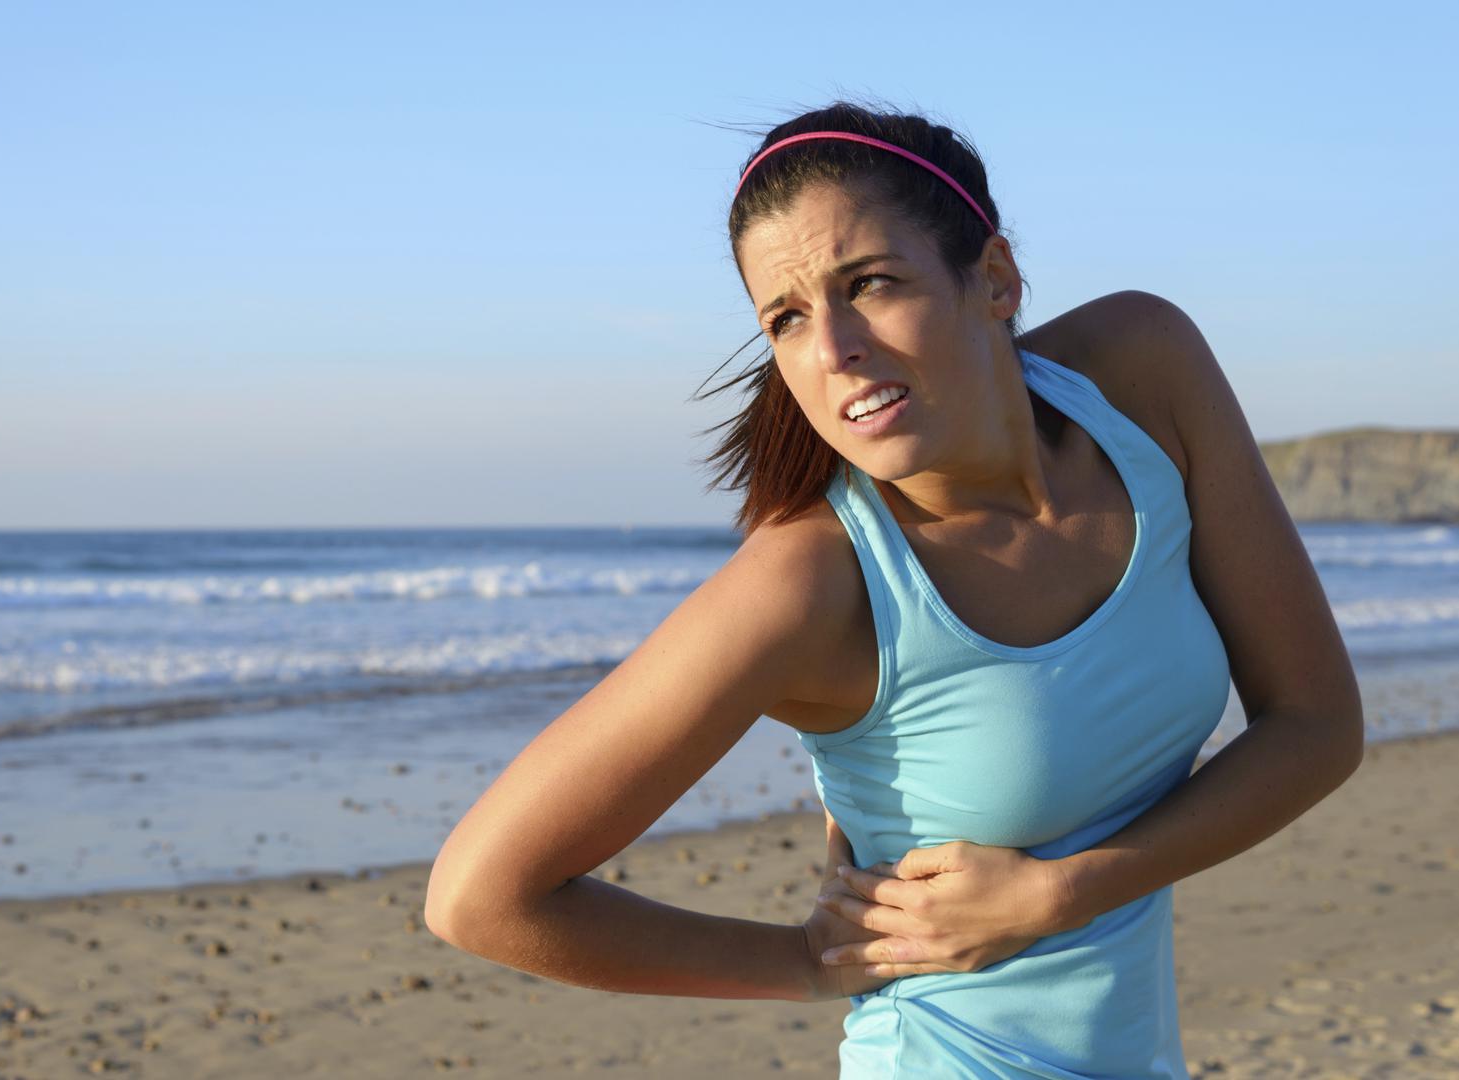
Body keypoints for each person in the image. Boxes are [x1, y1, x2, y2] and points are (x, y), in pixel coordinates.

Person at [424, 101, 1363, 1077]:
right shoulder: (810, 582)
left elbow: (1316, 723)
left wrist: (1062, 893)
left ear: (993, 278)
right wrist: (809, 963)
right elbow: (481, 896)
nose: (832, 348)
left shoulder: (1141, 374)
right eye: (785, 319)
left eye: (868, 284)